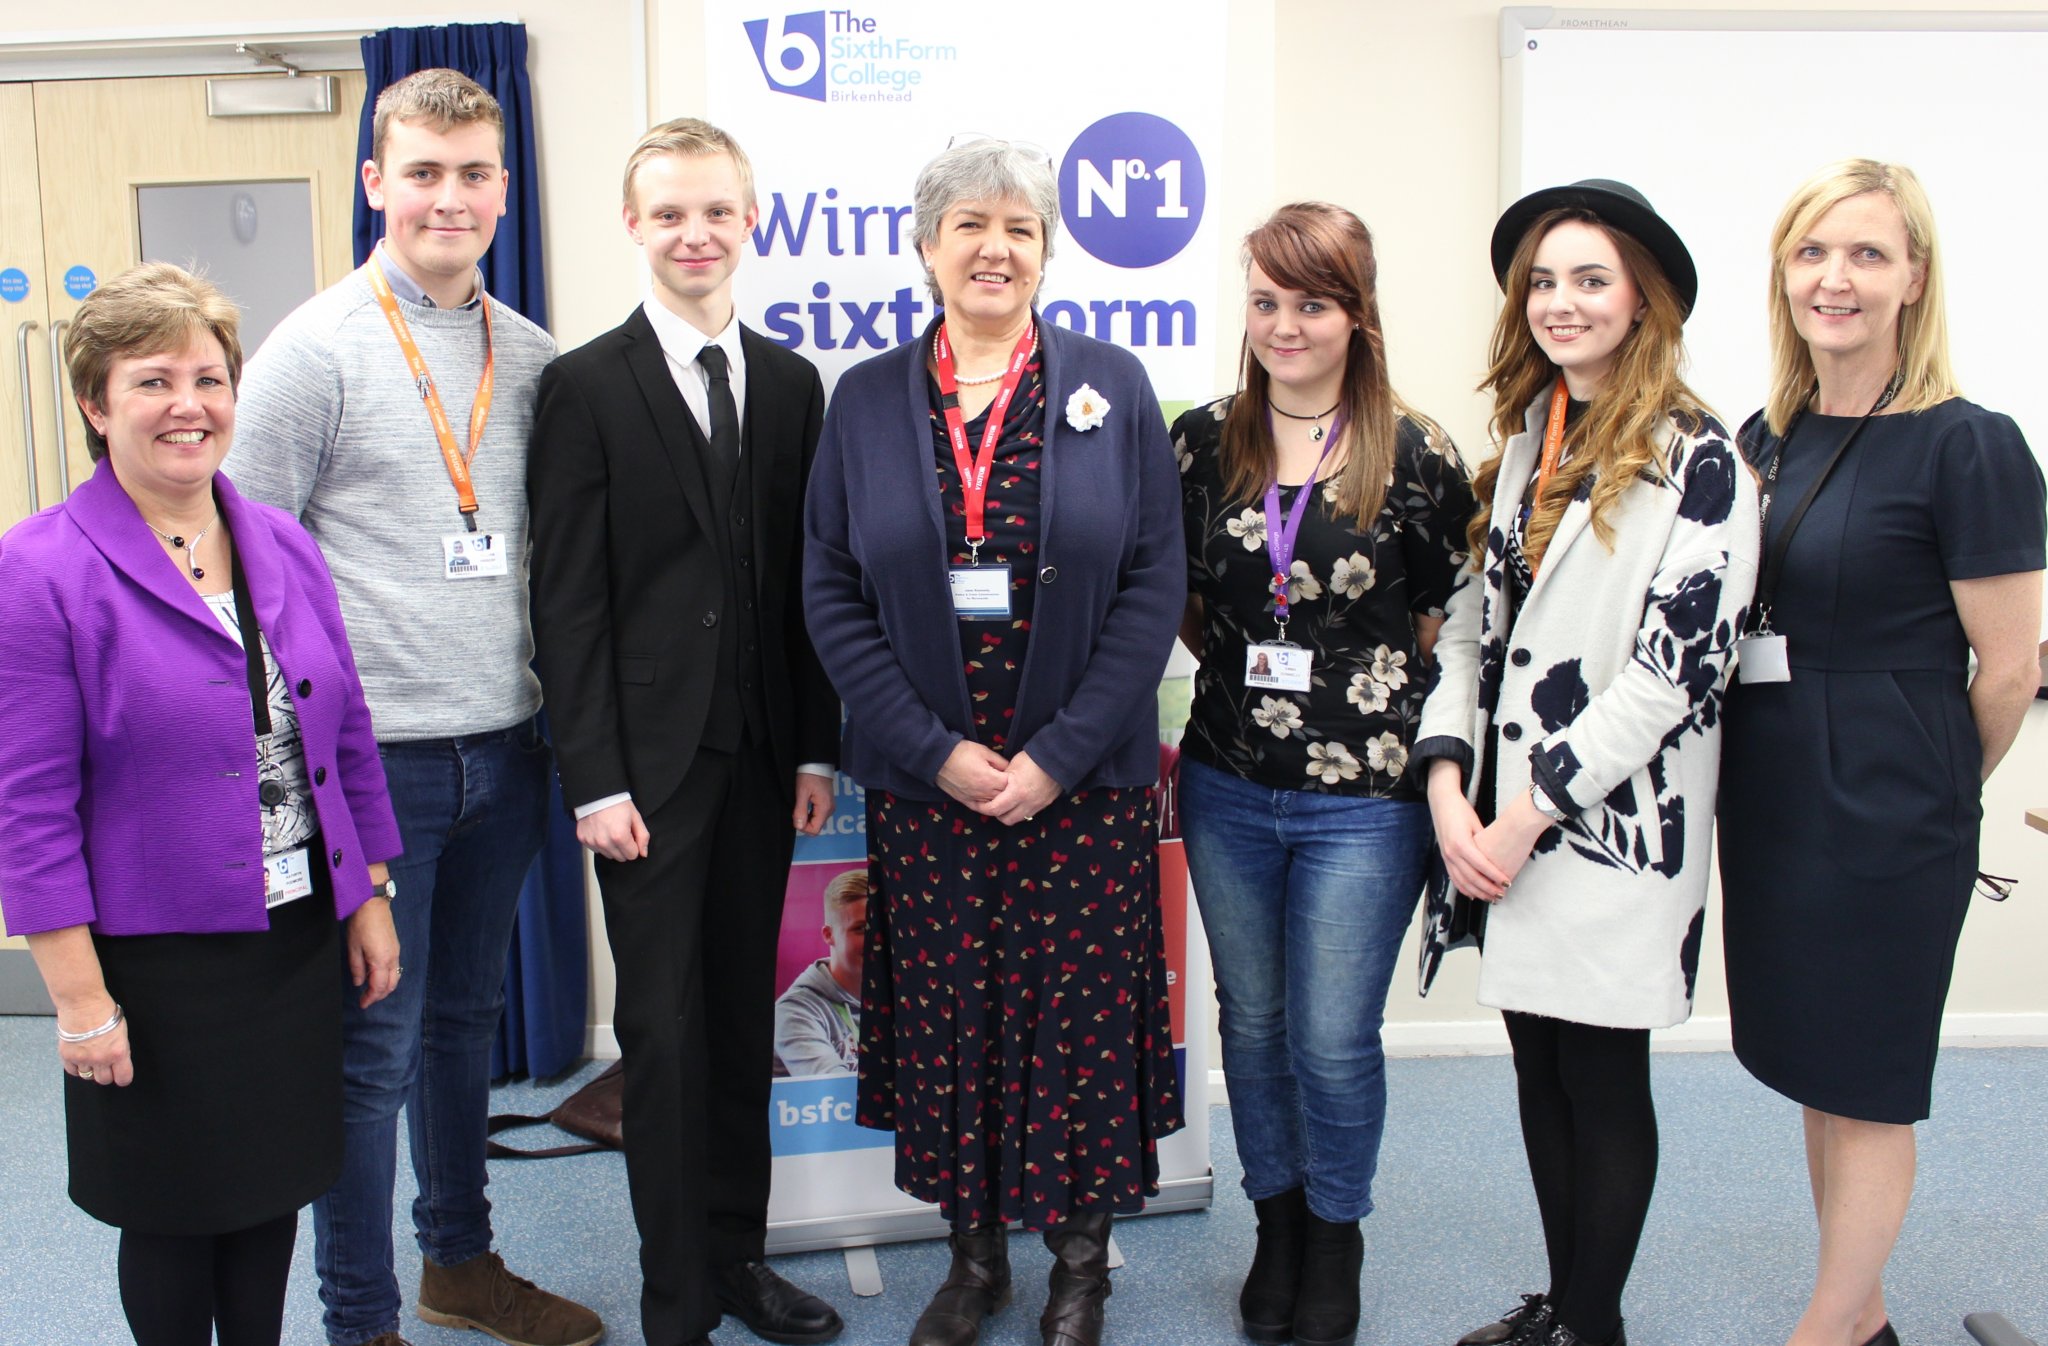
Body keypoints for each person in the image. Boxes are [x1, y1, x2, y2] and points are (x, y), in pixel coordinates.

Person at [222, 70, 601, 1346]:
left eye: (473, 173)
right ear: (376, 182)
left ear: (504, 189)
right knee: (367, 1051)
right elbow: (243, 582)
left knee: (462, 1027)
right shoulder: (309, 352)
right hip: (368, 770)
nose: (450, 196)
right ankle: (359, 1315)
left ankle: (460, 1261)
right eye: (423, 171)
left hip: (507, 749)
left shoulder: (537, 358)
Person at [803, 136, 1186, 1346]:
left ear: (1046, 250)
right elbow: (828, 586)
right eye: (969, 224)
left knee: (1072, 1026)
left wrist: (1055, 756)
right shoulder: (863, 399)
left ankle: (1081, 1266)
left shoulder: (1110, 385)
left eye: (1019, 227)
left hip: (1080, 789)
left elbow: (1150, 583)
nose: (994, 247)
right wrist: (933, 750)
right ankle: (974, 1260)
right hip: (931, 791)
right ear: (924, 247)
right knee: (956, 1017)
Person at [0, 263, 401, 1346]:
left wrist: (365, 892)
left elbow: (344, 728)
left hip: (286, 936)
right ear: (95, 402)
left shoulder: (278, 539)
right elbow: (27, 806)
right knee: (175, 1213)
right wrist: (79, 999)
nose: (190, 403)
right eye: (153, 379)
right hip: (153, 956)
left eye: (209, 376)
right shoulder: (38, 569)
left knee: (270, 1193)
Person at [1416, 181, 1759, 1346]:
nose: (1560, 302)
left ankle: (1592, 1323)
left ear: (1640, 298)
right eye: (1543, 281)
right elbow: (1469, 630)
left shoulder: (1699, 456)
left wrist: (1520, 818)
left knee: (1602, 1079)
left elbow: (1671, 673)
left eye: (1589, 278)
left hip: (1613, 825)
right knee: (1538, 1066)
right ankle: (1564, 1305)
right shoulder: (1523, 440)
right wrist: (1446, 784)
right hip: (1497, 814)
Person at [528, 116, 844, 1346]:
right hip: (643, 781)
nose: (694, 232)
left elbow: (812, 584)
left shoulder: (791, 382)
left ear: (749, 219)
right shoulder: (584, 386)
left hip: (764, 763)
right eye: (668, 213)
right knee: (660, 1032)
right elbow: (567, 599)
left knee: (737, 1024)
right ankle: (676, 1303)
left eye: (714, 210)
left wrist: (816, 745)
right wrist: (591, 775)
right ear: (633, 226)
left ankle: (737, 1260)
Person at [1718, 161, 2044, 1346]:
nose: (1833, 277)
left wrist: (1933, 795)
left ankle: (1824, 1327)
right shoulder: (1764, 436)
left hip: (1888, 797)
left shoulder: (1970, 444)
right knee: (1818, 1062)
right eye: (1811, 253)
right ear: (1783, 276)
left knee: (1867, 1078)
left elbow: (2006, 668)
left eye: (1863, 254)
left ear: (1912, 277)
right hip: (1767, 792)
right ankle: (1859, 1321)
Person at [1174, 202, 1475, 1346]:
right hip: (1228, 780)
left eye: (1311, 302)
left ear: (1357, 312)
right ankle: (1277, 1221)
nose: (1284, 325)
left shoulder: (1415, 451)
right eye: (1265, 301)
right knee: (1249, 1020)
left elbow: (1450, 623)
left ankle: (1336, 1233)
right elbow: (1194, 608)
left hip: (1366, 796)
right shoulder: (1202, 441)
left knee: (1333, 1033)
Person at [774, 870, 870, 1077]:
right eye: (861, 929)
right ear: (829, 935)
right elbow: (834, 1091)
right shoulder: (794, 1012)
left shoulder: (902, 995)